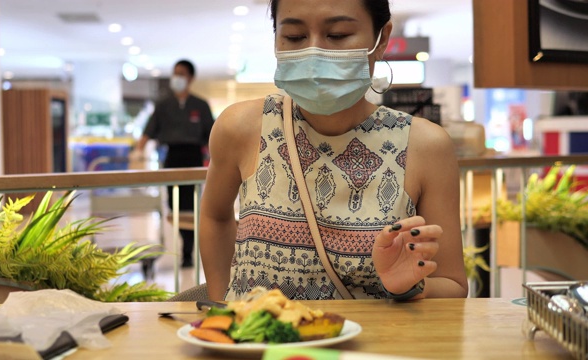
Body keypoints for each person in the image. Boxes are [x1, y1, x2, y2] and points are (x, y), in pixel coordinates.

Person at [199, 0, 468, 300]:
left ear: (382, 39)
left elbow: (452, 285)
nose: (314, 53)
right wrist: (221, 305)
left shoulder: (425, 146)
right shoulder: (240, 127)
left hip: (369, 346)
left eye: (338, 35)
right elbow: (215, 216)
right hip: (257, 342)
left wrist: (408, 286)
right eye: (295, 37)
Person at [135, 59, 214, 268]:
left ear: (190, 78)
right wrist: (137, 152)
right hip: (172, 157)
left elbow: (213, 135)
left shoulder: (200, 105)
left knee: (191, 204)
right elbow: (148, 131)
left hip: (194, 158)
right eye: (175, 73)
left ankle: (188, 249)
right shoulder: (163, 105)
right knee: (174, 204)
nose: (177, 78)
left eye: (181, 73)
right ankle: (185, 242)